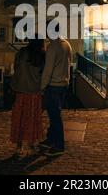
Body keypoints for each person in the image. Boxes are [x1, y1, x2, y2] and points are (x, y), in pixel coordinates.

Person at [40, 25, 73, 156]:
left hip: (53, 85)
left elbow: (48, 70)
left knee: (54, 116)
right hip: (64, 84)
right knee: (55, 114)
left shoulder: (53, 47)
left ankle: (59, 145)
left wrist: (42, 86)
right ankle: (51, 139)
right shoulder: (67, 44)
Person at [10, 37, 45, 158]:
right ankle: (31, 145)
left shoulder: (21, 53)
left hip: (20, 90)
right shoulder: (41, 55)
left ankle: (18, 147)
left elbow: (15, 68)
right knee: (32, 118)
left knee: (19, 118)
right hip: (34, 91)